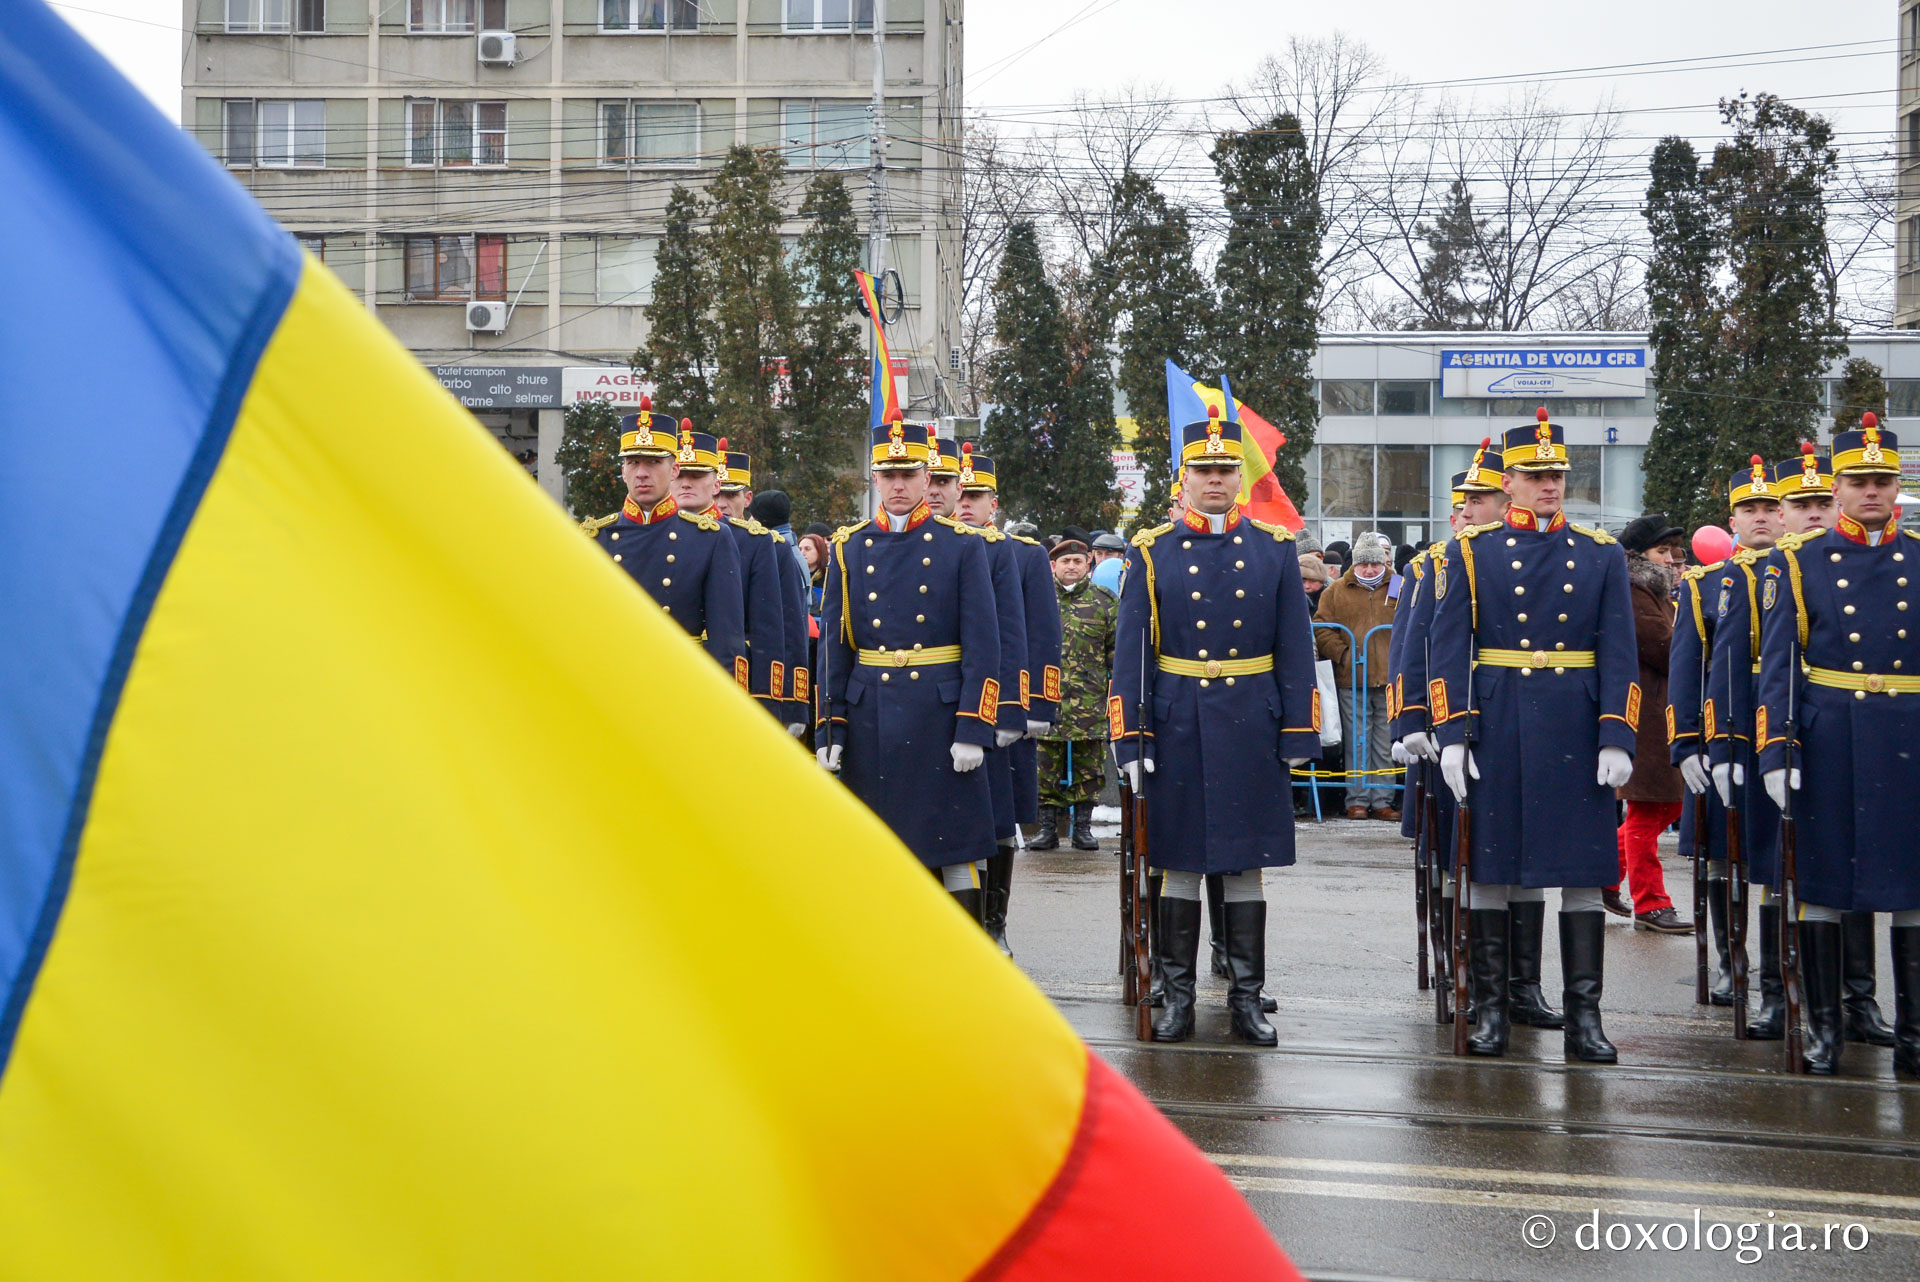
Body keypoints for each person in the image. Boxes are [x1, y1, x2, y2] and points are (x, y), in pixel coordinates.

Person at [1430, 408, 1639, 1063]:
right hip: (1501, 721)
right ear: (1509, 482)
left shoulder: (1599, 553)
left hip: (1575, 723)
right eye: (1534, 475)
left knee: (1581, 874)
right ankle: (1492, 1011)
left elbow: (1620, 650)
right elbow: (1446, 648)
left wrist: (1617, 733)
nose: (1549, 485)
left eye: (1556, 474)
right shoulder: (1471, 550)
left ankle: (1585, 1018)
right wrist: (1454, 733)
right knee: (1494, 868)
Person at [1112, 409, 1320, 1046]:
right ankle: (1177, 997)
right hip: (1177, 723)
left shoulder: (1274, 549)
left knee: (1243, 866)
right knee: (1178, 862)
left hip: (1251, 724)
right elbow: (1132, 654)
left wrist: (1297, 733)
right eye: (1203, 469)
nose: (1215, 480)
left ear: (1240, 477)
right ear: (1184, 477)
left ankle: (1246, 999)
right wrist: (1132, 737)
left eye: (1226, 469)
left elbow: (1295, 647)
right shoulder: (1153, 551)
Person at [1758, 417, 1918, 1076]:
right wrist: (1776, 751)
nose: (1872, 492)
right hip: (1831, 738)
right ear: (1839, 486)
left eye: (1882, 480)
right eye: (1859, 481)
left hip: (1908, 737)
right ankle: (1824, 1027)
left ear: (1897, 485)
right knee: (1822, 883)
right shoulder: (1798, 562)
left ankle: (1913, 1032)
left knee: (1911, 886)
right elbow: (1778, 668)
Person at [1392, 449, 1562, 1032]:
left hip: (1514, 722)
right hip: (1454, 724)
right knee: (1461, 853)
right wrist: (1411, 721)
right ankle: (1461, 965)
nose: (1469, 510)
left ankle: (1523, 984)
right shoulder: (1439, 563)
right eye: (1463, 502)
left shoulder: (1547, 558)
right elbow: (1413, 650)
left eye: (1480, 499)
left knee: (1526, 854)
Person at [816, 415, 1001, 917]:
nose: (898, 485)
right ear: (873, 478)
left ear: (926, 477)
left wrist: (973, 725)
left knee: (953, 849)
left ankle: (962, 960)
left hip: (939, 715)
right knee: (875, 848)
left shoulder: (962, 545)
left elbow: (983, 645)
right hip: (870, 712)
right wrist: (829, 726)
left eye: (909, 474)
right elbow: (835, 645)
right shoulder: (849, 546)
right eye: (888, 475)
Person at [581, 401, 746, 682]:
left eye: (654, 462)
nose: (642, 472)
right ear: (623, 471)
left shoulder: (710, 538)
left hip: (681, 682)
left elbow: (726, 639)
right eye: (633, 462)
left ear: (673, 470)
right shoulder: (595, 538)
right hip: (613, 682)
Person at [948, 442, 1033, 955]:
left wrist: (1019, 708)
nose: (963, 503)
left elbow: (1024, 635)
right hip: (944, 699)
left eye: (975, 495)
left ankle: (994, 917)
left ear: (992, 502)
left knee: (996, 817)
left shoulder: (1013, 554)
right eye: (959, 493)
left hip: (995, 704)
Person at [1608, 515, 1692, 933]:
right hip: (1646, 716)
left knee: (1666, 805)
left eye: (1674, 553)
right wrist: (1699, 641)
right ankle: (1652, 902)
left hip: (1662, 714)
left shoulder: (1654, 591)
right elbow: (1664, 647)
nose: (1672, 560)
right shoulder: (1632, 590)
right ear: (1639, 557)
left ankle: (1605, 874)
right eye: (1662, 552)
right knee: (1648, 809)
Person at [672, 432, 790, 724]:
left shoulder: (752, 541)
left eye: (697, 475)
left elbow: (770, 630)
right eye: (681, 474)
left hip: (727, 680)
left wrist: (770, 702)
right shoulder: (645, 536)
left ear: (715, 483)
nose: (686, 483)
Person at [1033, 533, 1117, 852]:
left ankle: (1082, 828)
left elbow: (1115, 655)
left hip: (1090, 703)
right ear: (1053, 566)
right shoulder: (1039, 599)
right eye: (1065, 561)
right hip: (1047, 701)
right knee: (1044, 767)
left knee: (1089, 769)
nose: (1072, 566)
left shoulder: (1105, 602)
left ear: (1088, 564)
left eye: (1078, 561)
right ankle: (1047, 829)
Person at [1314, 531, 1401, 821]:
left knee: (1385, 741)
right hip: (1351, 678)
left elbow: (1412, 624)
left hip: (1389, 678)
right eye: (1364, 564)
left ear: (1384, 562)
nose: (1370, 569)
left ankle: (1383, 799)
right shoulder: (1336, 590)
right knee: (1357, 740)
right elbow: (1322, 628)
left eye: (1375, 563)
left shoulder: (1399, 585)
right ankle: (1357, 799)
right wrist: (1344, 655)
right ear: (1356, 563)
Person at [1090, 531, 1128, 595]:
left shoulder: (1128, 582)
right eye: (1099, 554)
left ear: (1121, 557)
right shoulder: (1086, 581)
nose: (1103, 559)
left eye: (1109, 554)